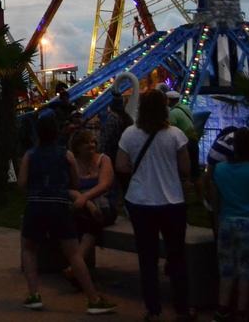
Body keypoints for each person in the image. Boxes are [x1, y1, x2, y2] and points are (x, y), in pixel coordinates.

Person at [19, 115, 117, 314]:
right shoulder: (66, 155)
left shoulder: (30, 155)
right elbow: (75, 183)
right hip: (59, 206)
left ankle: (34, 294)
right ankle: (93, 299)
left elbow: (21, 183)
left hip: (36, 205)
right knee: (73, 253)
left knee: (29, 249)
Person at [116, 88, 191, 322]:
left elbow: (121, 166)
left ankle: (153, 309)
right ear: (164, 108)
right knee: (177, 257)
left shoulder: (129, 134)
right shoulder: (176, 134)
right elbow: (185, 169)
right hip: (172, 202)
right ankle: (182, 307)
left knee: (147, 259)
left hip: (140, 201)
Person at [209, 128, 249, 322]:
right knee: (247, 270)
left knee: (226, 268)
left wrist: (217, 222)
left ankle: (222, 308)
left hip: (227, 222)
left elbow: (215, 200)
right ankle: (242, 310)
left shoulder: (220, 170)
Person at [66, 129, 118, 282]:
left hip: (104, 206)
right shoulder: (73, 162)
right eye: (87, 142)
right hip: (85, 208)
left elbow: (104, 185)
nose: (92, 144)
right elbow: (68, 188)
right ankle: (79, 269)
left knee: (91, 220)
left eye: (93, 141)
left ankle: (76, 266)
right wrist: (87, 203)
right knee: (83, 218)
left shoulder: (104, 160)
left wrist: (86, 198)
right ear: (78, 146)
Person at [98, 92, 133, 166]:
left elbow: (106, 138)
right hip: (123, 153)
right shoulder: (127, 118)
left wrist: (100, 153)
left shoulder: (112, 118)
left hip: (111, 155)